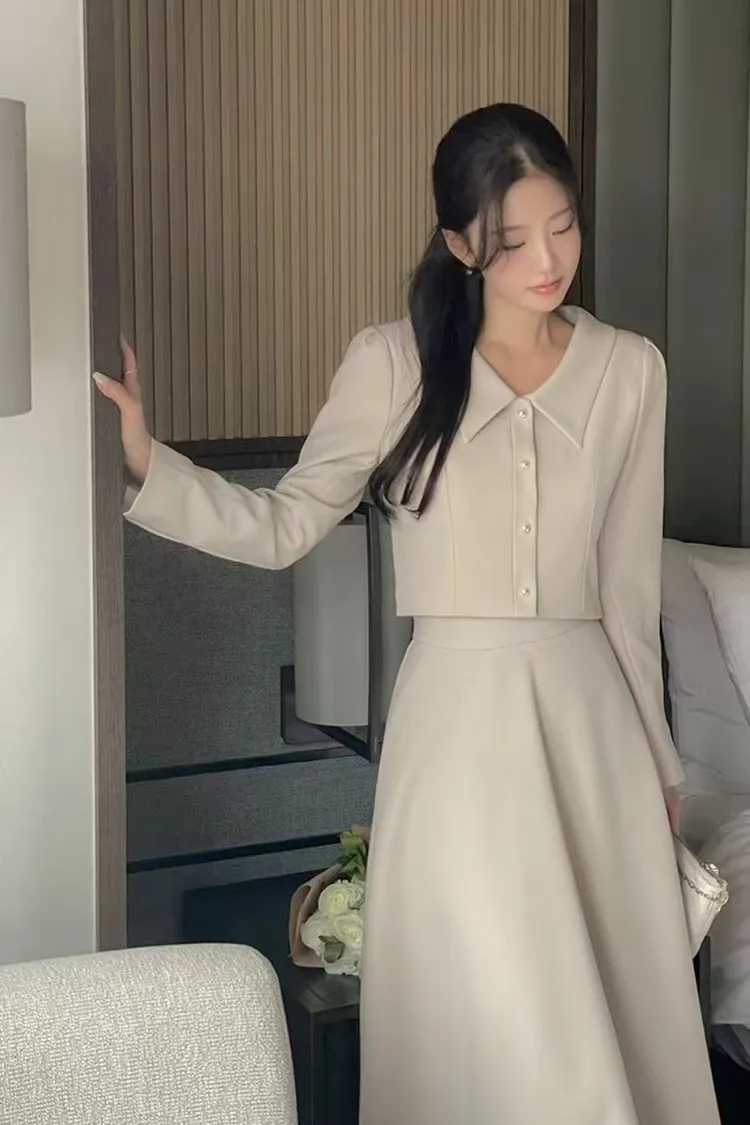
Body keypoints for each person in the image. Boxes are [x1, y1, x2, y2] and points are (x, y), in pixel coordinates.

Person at [95, 103, 719, 1125]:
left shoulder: (630, 369)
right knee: (486, 1003)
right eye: (512, 239)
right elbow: (285, 525)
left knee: (604, 1011)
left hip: (591, 726)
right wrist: (144, 461)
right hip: (454, 731)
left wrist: (658, 765)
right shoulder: (393, 363)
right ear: (460, 245)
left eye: (563, 226)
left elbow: (625, 590)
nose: (548, 259)